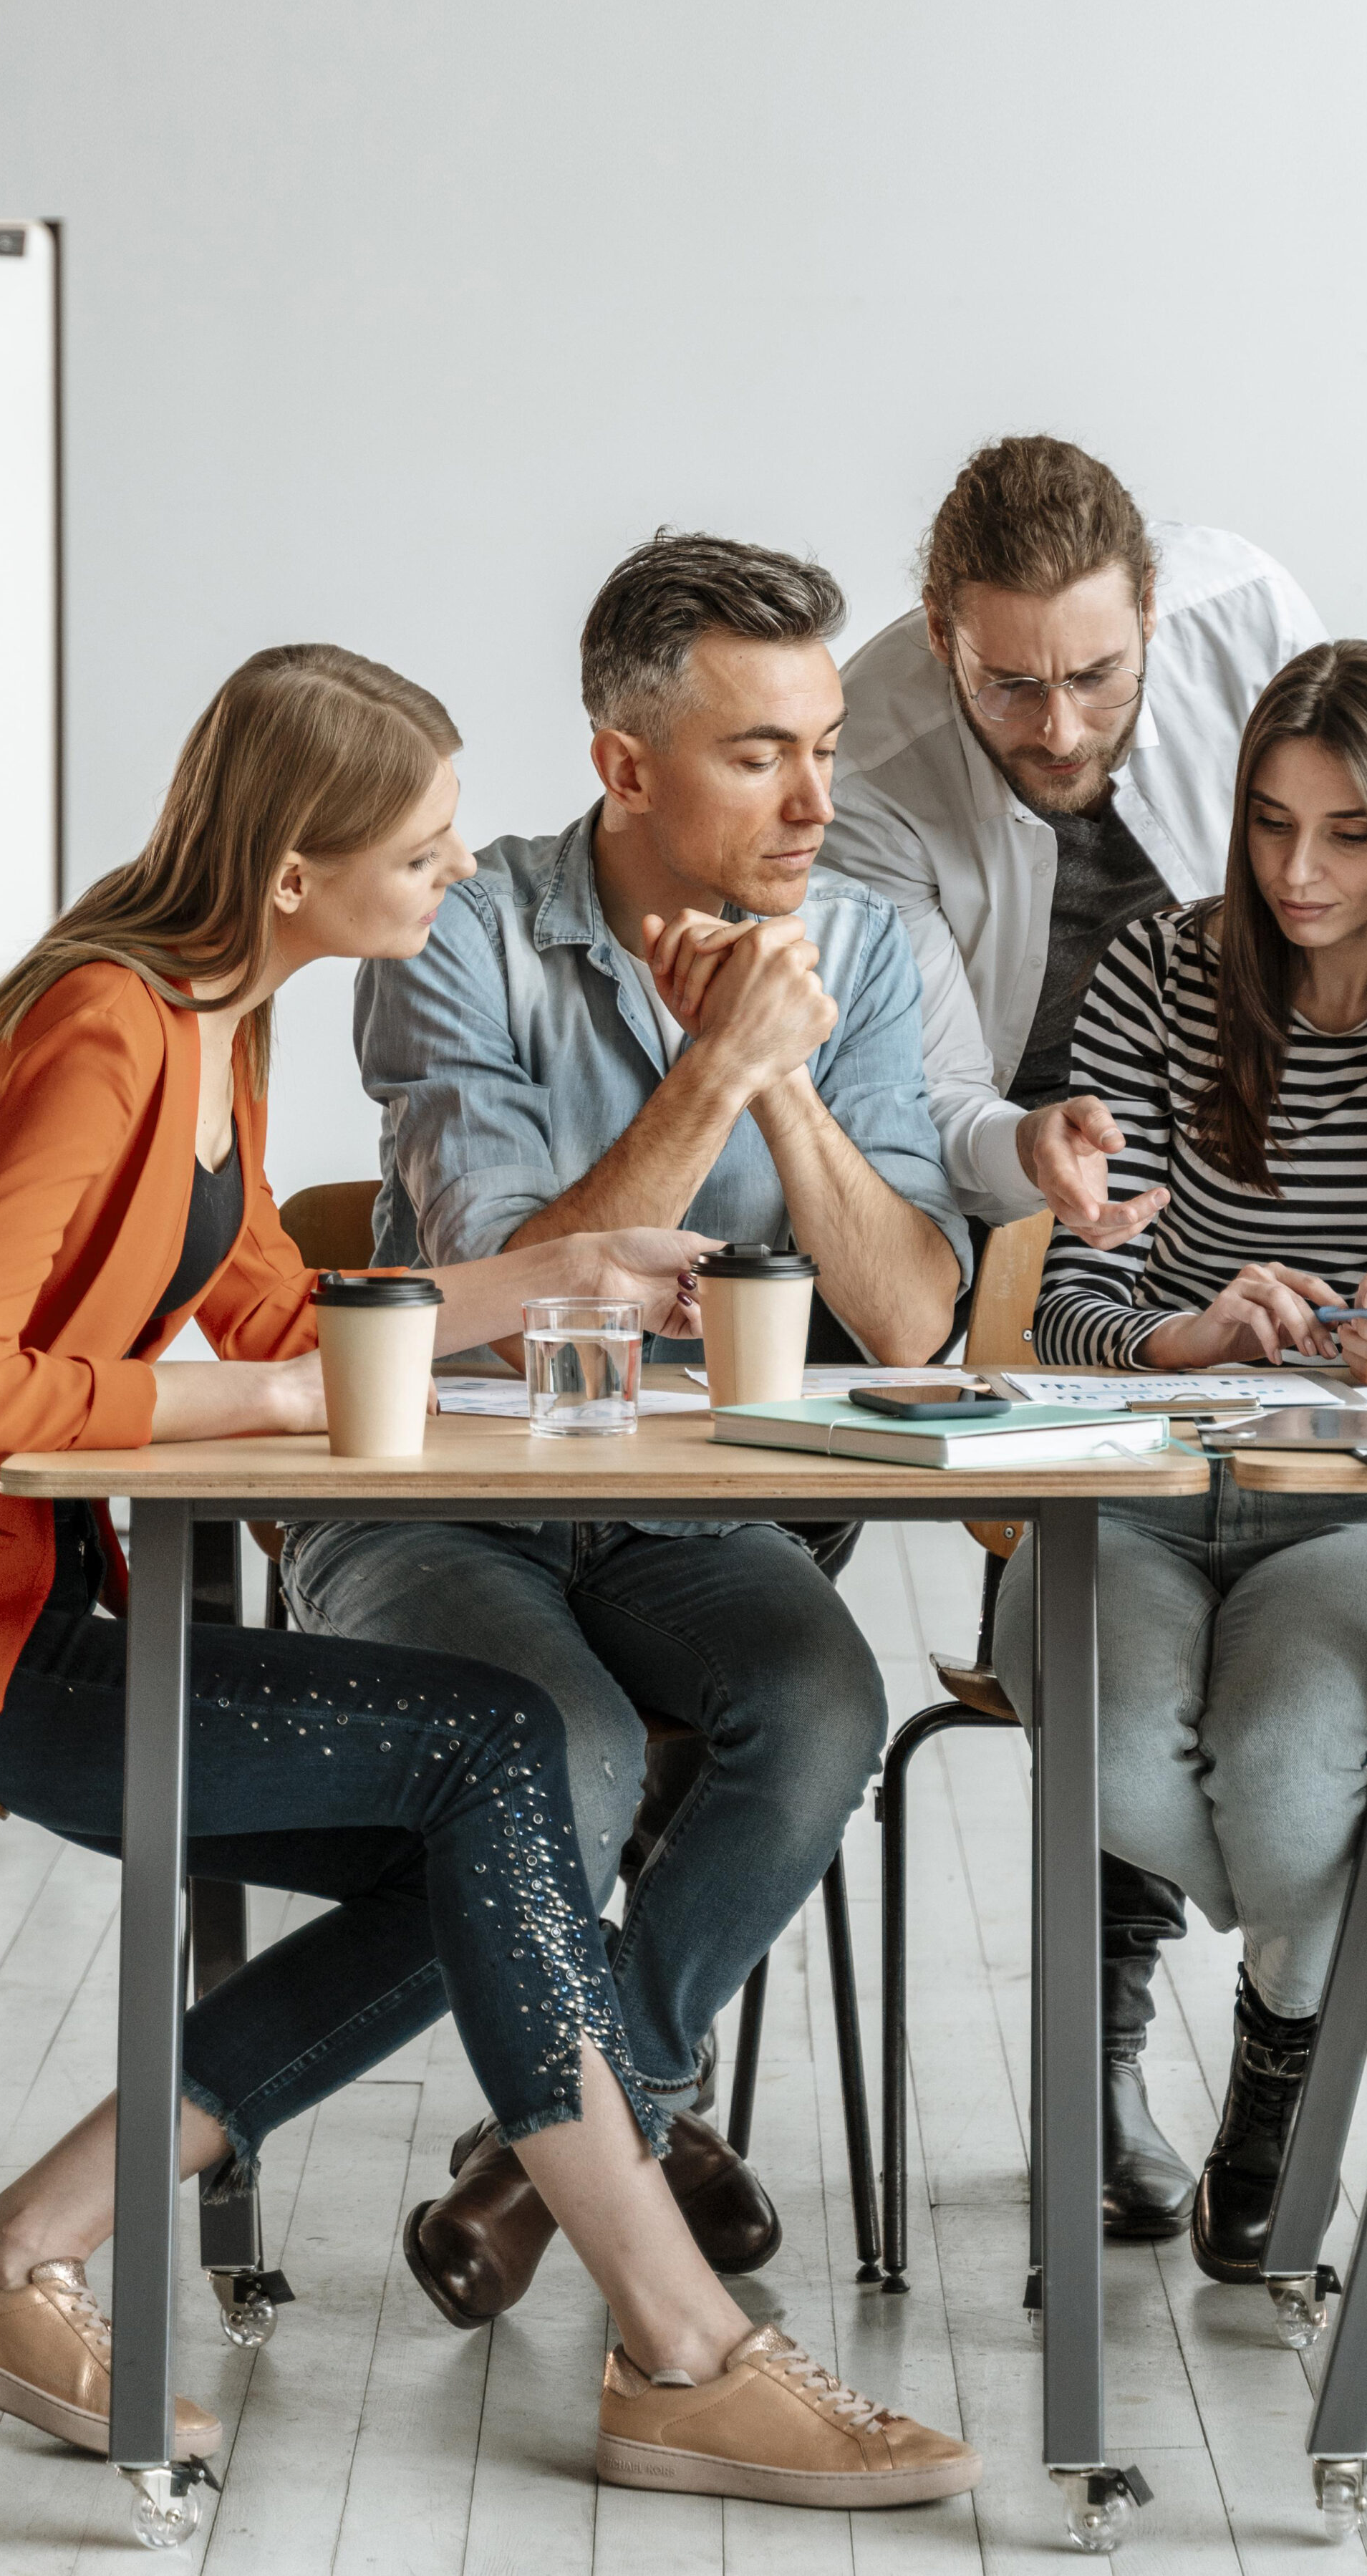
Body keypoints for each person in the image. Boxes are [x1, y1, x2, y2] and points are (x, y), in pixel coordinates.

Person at [0, 644, 977, 2509]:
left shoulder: (211, 1021)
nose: (462, 875)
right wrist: (287, 1395)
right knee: (494, 1761)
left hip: (3, 1620)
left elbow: (278, 1304)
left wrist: (536, 1282)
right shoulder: (100, 1031)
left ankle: (10, 2258)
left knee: (491, 1809)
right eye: (428, 849)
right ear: (295, 869)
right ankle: (686, 2345)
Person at [283, 537, 966, 2328]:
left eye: (826, 741)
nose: (821, 795)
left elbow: (907, 1318)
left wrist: (788, 1068)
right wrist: (709, 1072)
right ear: (625, 764)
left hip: (680, 1507)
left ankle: (585, 2130)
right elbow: (487, 1284)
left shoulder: (867, 951)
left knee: (821, 1705)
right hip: (441, 1494)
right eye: (762, 752)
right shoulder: (461, 926)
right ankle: (642, 2138)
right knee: (561, 1736)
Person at [987, 640, 1367, 2282]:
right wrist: (1186, 1335)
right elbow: (1073, 1303)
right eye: (1267, 824)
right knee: (1100, 1750)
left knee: (1298, 1768)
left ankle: (1275, 2092)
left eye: (1349, 835)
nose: (1298, 874)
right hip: (1142, 1489)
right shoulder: (1162, 972)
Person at [826, 433, 1326, 2239]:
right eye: (1009, 685)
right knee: (1095, 1602)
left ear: (1154, 622)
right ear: (942, 637)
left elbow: (1352, 876)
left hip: (1275, 1171)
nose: (1054, 727)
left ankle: (1329, 1985)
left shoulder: (1250, 611)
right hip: (1034, 1217)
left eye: (1095, 677)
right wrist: (1028, 1160)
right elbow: (926, 1087)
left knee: (1231, 1628)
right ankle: (1123, 2065)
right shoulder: (872, 748)